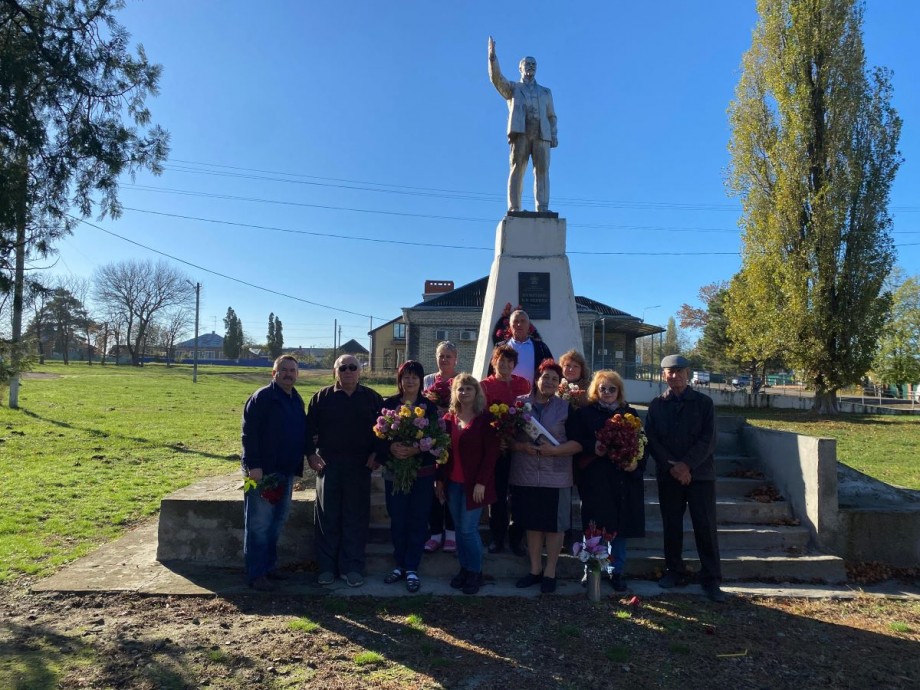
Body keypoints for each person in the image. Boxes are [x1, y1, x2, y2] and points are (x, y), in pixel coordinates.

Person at [645, 354, 725, 603]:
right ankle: (674, 570)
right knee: (672, 526)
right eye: (669, 372)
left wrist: (687, 465)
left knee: (705, 527)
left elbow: (707, 440)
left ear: (687, 374)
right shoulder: (657, 405)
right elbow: (653, 440)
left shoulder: (703, 403)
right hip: (669, 476)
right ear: (663, 375)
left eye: (679, 371)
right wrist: (674, 467)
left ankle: (711, 577)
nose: (674, 376)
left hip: (699, 475)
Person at [305, 354, 384, 588]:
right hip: (328, 466)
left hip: (360, 467)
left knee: (356, 518)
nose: (348, 371)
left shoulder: (372, 398)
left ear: (360, 371)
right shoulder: (321, 398)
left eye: (353, 367)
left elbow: (385, 431)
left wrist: (378, 454)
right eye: (343, 368)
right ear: (335, 371)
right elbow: (307, 430)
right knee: (327, 517)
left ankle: (352, 568)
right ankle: (327, 568)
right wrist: (310, 453)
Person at [570, 370, 647, 592]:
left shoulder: (629, 413)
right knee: (594, 527)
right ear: (596, 390)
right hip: (595, 478)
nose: (607, 392)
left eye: (612, 389)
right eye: (603, 388)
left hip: (621, 479)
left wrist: (635, 463)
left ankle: (616, 571)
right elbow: (577, 439)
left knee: (619, 529)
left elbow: (642, 443)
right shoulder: (586, 414)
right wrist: (591, 447)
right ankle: (591, 568)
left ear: (619, 392)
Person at [509, 360, 581, 594]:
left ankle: (550, 571)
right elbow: (506, 438)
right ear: (536, 379)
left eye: (554, 379)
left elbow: (579, 443)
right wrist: (521, 447)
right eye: (545, 377)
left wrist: (555, 451)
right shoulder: (520, 405)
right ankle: (535, 570)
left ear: (559, 384)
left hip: (556, 476)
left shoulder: (566, 408)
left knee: (554, 527)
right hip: (526, 474)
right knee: (533, 525)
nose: (549, 382)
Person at [240, 355, 307, 591]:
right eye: (284, 370)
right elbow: (249, 434)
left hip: (285, 472)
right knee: (259, 524)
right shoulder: (263, 398)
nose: (289, 374)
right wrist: (253, 465)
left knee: (276, 523)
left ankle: (268, 568)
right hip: (263, 473)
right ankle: (256, 573)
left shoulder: (295, 399)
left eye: (293, 370)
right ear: (274, 373)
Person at [379, 361, 441, 593]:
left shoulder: (429, 407)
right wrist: (391, 448)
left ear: (421, 380)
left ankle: (412, 567)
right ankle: (400, 565)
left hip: (422, 473)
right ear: (400, 380)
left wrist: (416, 449)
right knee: (398, 517)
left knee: (417, 518)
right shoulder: (388, 406)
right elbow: (377, 437)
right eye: (406, 376)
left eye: (415, 377)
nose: (410, 381)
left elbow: (436, 437)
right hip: (395, 472)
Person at [436, 373, 500, 595]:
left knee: (467, 530)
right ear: (454, 393)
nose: (463, 393)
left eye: (468, 389)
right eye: (460, 389)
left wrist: (482, 482)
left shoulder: (485, 420)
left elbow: (491, 455)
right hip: (453, 483)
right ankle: (464, 568)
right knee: (459, 529)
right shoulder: (448, 420)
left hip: (475, 485)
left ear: (476, 392)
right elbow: (443, 454)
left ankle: (475, 572)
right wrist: (439, 482)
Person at [488, 36, 558, 213]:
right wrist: (492, 58)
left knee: (542, 171)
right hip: (521, 132)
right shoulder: (513, 88)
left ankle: (542, 207)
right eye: (527, 64)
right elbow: (497, 80)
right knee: (517, 168)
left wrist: (554, 134)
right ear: (520, 68)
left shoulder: (545, 92)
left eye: (534, 64)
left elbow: (551, 116)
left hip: (542, 133)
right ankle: (514, 207)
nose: (531, 67)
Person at [479, 343, 531, 556]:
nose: (506, 364)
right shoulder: (484, 386)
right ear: (494, 361)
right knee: (498, 495)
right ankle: (497, 537)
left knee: (518, 495)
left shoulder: (523, 384)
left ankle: (517, 539)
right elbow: (481, 418)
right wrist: (496, 439)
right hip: (496, 448)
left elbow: (529, 414)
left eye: (510, 361)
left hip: (519, 447)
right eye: (501, 360)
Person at [422, 341, 458, 554]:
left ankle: (451, 534)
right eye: (441, 356)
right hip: (431, 439)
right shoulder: (427, 380)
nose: (444, 360)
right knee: (433, 486)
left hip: (453, 439)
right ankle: (435, 533)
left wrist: (446, 408)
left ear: (456, 359)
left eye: (448, 356)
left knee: (451, 485)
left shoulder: (460, 380)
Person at [501, 310, 554, 386]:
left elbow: (552, 370)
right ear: (510, 325)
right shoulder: (501, 348)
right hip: (506, 395)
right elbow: (492, 373)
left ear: (528, 325)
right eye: (515, 321)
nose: (519, 324)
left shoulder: (541, 347)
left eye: (523, 321)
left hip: (534, 396)